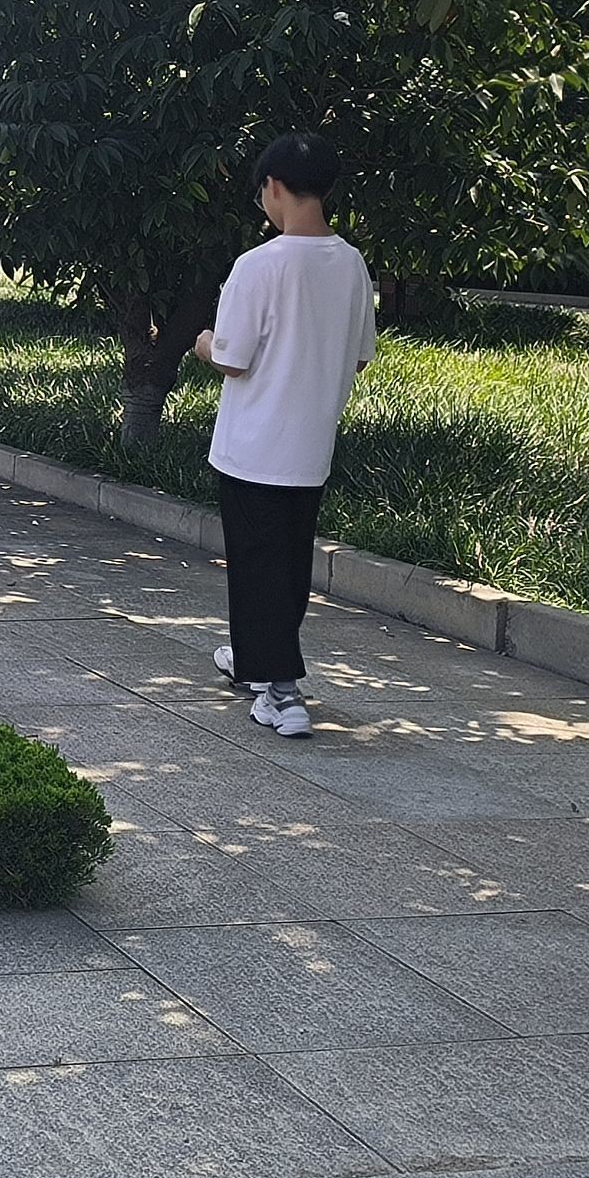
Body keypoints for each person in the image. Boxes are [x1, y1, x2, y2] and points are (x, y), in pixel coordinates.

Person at [193, 132, 376, 739]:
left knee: (255, 565)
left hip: (252, 446)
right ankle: (254, 659)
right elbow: (359, 356)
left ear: (272, 187)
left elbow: (232, 358)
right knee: (288, 564)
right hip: (310, 446)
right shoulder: (352, 265)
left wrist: (202, 343)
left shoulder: (258, 265)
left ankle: (281, 691)